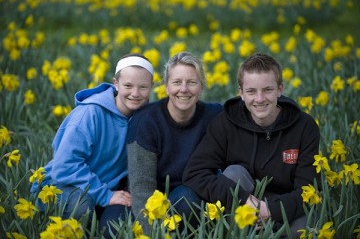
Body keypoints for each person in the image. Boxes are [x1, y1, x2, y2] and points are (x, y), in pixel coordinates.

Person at [183, 53, 320, 238]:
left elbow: (307, 189)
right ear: (241, 92)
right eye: (251, 91)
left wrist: (270, 210)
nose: (260, 98)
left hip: (286, 209)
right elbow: (194, 173)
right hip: (243, 207)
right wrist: (243, 200)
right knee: (234, 173)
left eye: (268, 90)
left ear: (280, 89)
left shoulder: (305, 127)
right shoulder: (226, 123)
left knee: (303, 231)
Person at [30, 53, 154, 236]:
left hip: (103, 189)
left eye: (143, 87)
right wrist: (106, 196)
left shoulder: (146, 117)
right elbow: (64, 167)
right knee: (82, 205)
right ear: (116, 83)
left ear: (151, 87)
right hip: (62, 187)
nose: (135, 94)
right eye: (128, 86)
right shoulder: (89, 114)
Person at [126, 51, 223, 234]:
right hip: (156, 202)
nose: (184, 89)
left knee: (185, 198)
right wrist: (153, 234)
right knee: (111, 223)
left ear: (201, 86)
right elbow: (141, 188)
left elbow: (252, 110)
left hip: (195, 199)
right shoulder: (146, 121)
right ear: (166, 87)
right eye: (177, 82)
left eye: (192, 82)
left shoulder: (215, 116)